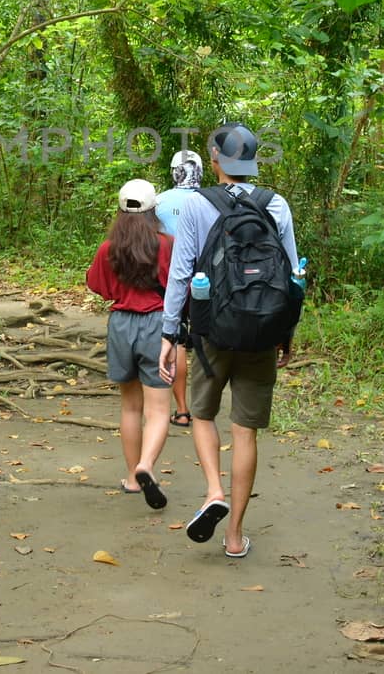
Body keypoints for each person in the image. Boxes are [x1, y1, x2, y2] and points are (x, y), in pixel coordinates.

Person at [158, 124, 298, 559]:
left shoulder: (198, 205)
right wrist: (286, 331)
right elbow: (293, 275)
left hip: (210, 331)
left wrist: (168, 333)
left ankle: (214, 490)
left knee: (201, 413)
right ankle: (235, 536)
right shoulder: (276, 204)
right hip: (261, 333)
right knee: (246, 431)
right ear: (253, 160)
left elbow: (181, 272)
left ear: (215, 160)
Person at [85, 179, 174, 510]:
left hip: (121, 325)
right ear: (153, 210)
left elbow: (99, 286)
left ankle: (132, 478)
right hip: (157, 325)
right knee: (159, 409)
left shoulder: (109, 249)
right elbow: (180, 287)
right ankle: (146, 465)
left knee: (130, 407)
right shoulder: (166, 245)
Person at [153, 149, 204, 429]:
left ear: (174, 171)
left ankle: (182, 409)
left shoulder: (159, 202)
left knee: (178, 340)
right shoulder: (211, 201)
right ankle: (207, 403)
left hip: (170, 282)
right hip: (207, 282)